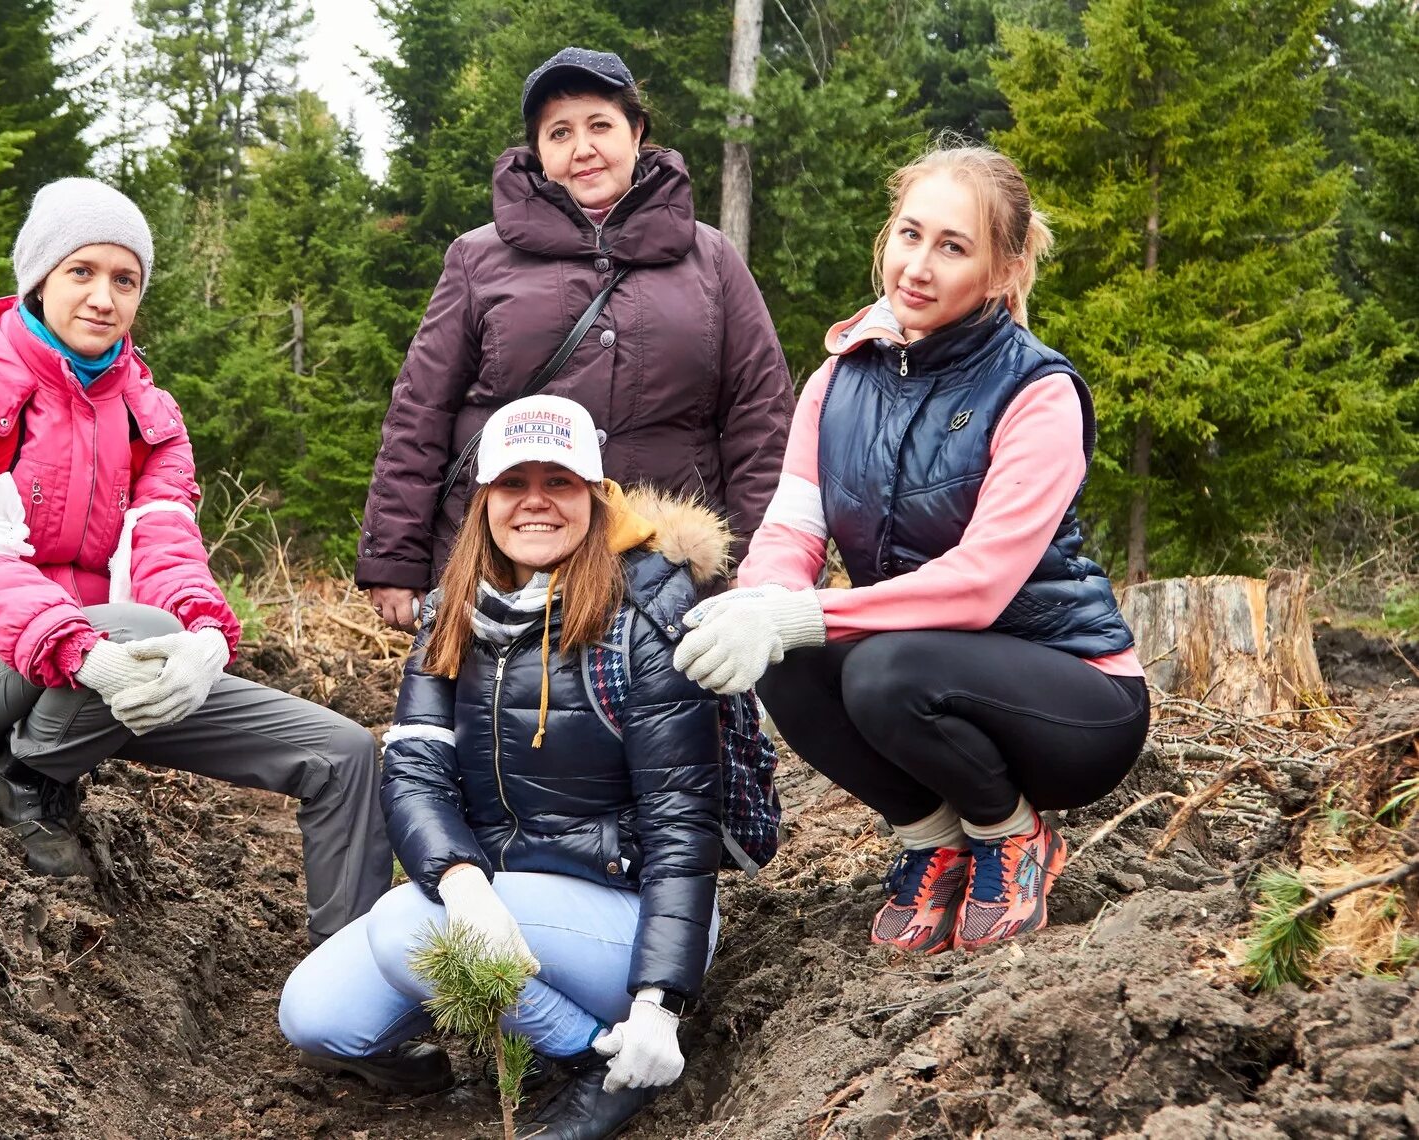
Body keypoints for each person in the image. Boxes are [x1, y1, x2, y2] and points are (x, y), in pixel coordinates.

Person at [675, 142, 1150, 956]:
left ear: (1001, 271)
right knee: (788, 653)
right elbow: (792, 528)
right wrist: (758, 606)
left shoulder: (1037, 391)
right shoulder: (837, 381)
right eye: (908, 234)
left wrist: (798, 614)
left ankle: (1012, 833)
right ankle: (935, 836)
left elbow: (978, 588)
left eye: (952, 246)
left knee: (882, 669)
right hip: (920, 672)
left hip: (1070, 700)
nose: (918, 267)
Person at [0, 178, 390, 945]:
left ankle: (357, 994)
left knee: (344, 753)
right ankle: (27, 771)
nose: (103, 297)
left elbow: (168, 549)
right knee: (136, 622)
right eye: (81, 272)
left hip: (107, 670)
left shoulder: (149, 415)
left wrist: (205, 640)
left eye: (124, 280)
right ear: (39, 278)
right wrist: (82, 649)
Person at [282, 396, 726, 1140]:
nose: (535, 503)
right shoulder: (452, 611)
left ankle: (602, 1061)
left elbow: (683, 821)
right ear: (484, 498)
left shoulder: (647, 614)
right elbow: (417, 772)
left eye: (559, 482)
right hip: (500, 902)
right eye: (514, 483)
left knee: (402, 925)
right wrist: (463, 886)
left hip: (622, 915)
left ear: (594, 491)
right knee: (315, 1018)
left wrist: (659, 1000)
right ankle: (539, 1024)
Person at [357, 46, 794, 633]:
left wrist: (762, 566)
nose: (582, 148)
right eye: (559, 132)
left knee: (667, 721)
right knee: (502, 721)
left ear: (636, 132)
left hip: (664, 568)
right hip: (505, 558)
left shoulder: (711, 258)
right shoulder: (477, 258)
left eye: (600, 125)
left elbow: (760, 417)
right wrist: (396, 556)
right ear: (538, 151)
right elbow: (420, 411)